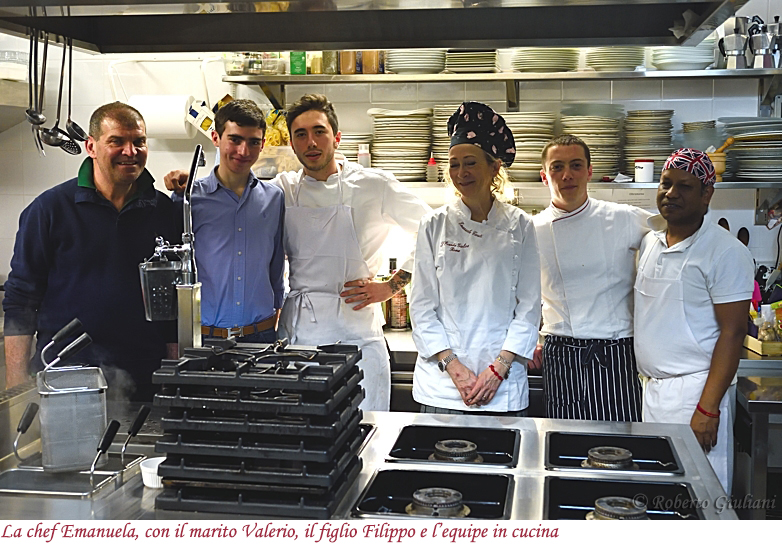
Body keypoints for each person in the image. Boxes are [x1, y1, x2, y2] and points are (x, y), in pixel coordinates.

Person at [3, 102, 180, 400]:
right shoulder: (49, 210)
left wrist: (175, 370)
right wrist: (16, 384)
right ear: (91, 146)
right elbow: (21, 299)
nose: (130, 151)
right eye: (117, 141)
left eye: (138, 141)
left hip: (145, 375)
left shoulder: (164, 211)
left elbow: (173, 302)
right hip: (66, 373)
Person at [274, 93, 431, 411]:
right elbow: (232, 193)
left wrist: (391, 286)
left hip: (358, 337)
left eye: (319, 131)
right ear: (292, 144)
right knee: (308, 444)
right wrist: (187, 186)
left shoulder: (374, 186)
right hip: (301, 339)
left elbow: (436, 230)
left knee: (368, 439)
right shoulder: (282, 189)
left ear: (337, 137)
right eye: (301, 135)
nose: (311, 142)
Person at [634, 148, 754, 492]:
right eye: (665, 183)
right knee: (659, 496)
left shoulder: (726, 251)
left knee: (698, 500)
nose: (671, 194)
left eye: (684, 186)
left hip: (696, 395)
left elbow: (732, 334)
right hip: (653, 393)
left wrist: (708, 409)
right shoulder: (651, 242)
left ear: (706, 195)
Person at [410, 101, 541, 414]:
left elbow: (529, 307)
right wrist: (456, 370)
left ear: (494, 167)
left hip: (503, 387)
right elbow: (422, 307)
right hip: (442, 387)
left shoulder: (520, 224)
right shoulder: (433, 224)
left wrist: (497, 371)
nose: (460, 172)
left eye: (470, 162)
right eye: (454, 164)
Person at [531, 135, 650, 421]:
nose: (567, 174)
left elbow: (671, 239)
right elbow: (523, 295)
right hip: (559, 352)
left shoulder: (623, 218)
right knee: (562, 443)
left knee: (620, 447)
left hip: (615, 351)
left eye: (575, 165)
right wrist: (530, 339)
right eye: (557, 167)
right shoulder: (531, 230)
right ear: (544, 176)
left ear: (589, 171)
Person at [169, 100, 285, 343]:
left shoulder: (274, 198)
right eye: (234, 139)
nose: (243, 151)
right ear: (216, 137)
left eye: (253, 142)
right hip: (206, 337)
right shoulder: (189, 198)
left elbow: (276, 267)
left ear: (263, 144)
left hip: (261, 337)